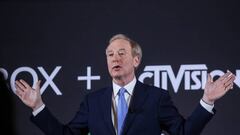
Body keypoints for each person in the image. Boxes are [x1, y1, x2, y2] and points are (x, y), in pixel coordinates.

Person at [15, 34, 236, 135]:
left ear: (136, 60)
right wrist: (38, 107)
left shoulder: (156, 98)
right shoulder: (93, 102)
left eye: (121, 53)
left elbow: (183, 132)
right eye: (110, 54)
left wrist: (207, 101)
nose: (115, 58)